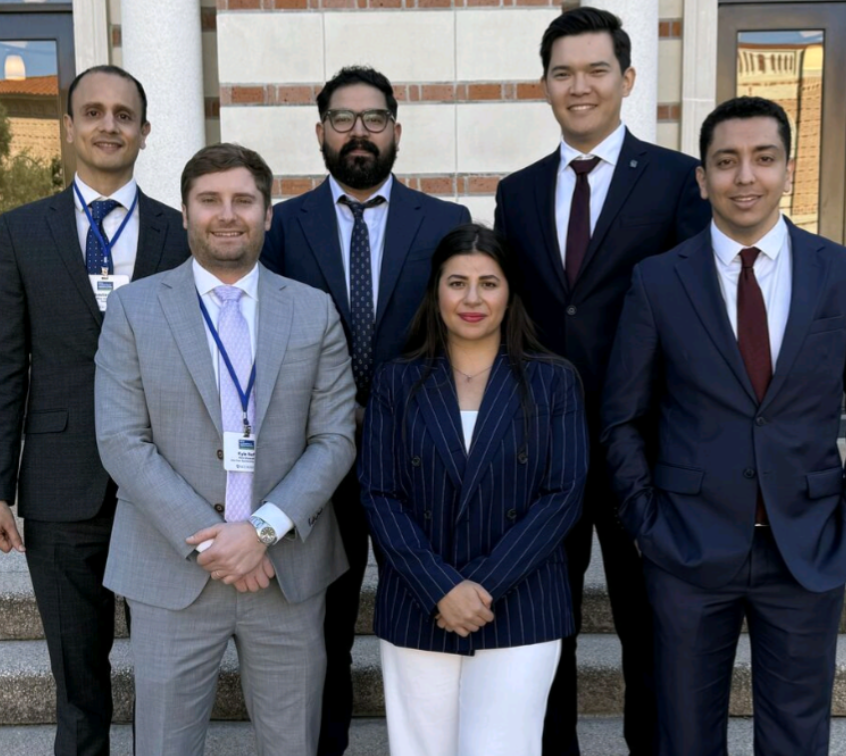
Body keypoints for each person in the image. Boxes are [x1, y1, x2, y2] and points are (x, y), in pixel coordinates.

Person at [600, 96, 846, 756]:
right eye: (727, 161)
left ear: (788, 169)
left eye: (763, 159)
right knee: (683, 736)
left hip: (808, 546)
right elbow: (622, 416)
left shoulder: (843, 274)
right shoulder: (657, 281)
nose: (745, 177)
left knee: (797, 738)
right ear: (702, 177)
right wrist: (647, 524)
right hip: (686, 548)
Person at [492, 8, 711, 755]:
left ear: (627, 79)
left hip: (641, 451)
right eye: (562, 73)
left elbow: (696, 323)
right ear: (545, 84)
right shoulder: (517, 193)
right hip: (537, 455)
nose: (578, 87)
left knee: (648, 632)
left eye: (595, 71)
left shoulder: (681, 181)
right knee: (541, 630)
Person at [93, 143, 356, 756]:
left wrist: (259, 530)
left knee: (293, 744)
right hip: (171, 569)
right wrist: (217, 540)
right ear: (185, 214)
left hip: (285, 571)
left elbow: (335, 437)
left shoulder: (313, 312)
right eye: (209, 200)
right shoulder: (134, 309)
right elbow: (121, 439)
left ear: (268, 213)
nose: (227, 214)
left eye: (244, 200)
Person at [0, 64, 190, 756]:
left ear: (145, 132)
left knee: (168, 674)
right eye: (92, 113)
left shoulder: (180, 232)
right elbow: (2, 367)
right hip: (61, 486)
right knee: (79, 682)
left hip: (165, 485)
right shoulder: (21, 232)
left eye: (123, 115)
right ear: (68, 128)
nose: (107, 125)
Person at [261, 65, 471, 756]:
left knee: (429, 617)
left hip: (418, 462)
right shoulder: (282, 227)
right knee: (322, 628)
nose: (359, 133)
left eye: (374, 119)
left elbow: (459, 332)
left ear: (396, 131)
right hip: (314, 466)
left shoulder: (445, 223)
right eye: (343, 120)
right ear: (320, 132)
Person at [360, 223, 588, 756]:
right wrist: (442, 588)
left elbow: (563, 495)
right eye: (456, 282)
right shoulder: (398, 381)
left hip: (521, 605)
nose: (472, 298)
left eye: (489, 283)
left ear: (510, 294)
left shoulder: (553, 380)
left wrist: (478, 589)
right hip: (420, 603)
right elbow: (379, 493)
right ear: (436, 290)